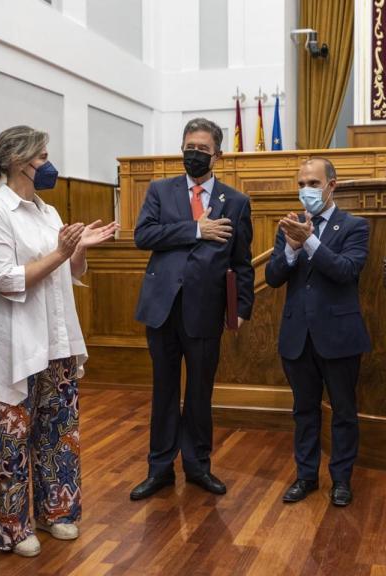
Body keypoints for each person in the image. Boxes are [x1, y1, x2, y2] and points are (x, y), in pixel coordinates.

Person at [0, 126, 118, 557]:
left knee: (58, 432)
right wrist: (59, 253)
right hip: (14, 345)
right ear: (18, 161)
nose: (49, 163)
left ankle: (58, 513)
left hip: (56, 342)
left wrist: (78, 248)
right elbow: (6, 279)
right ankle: (15, 530)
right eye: (42, 156)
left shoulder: (47, 211)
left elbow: (72, 273)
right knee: (13, 441)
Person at [130, 117, 255, 501]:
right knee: (164, 391)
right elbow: (143, 235)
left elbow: (243, 261)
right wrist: (196, 229)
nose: (194, 155)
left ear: (217, 154)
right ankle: (160, 469)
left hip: (206, 311)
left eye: (202, 149)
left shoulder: (235, 201)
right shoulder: (159, 191)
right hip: (163, 309)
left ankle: (199, 465)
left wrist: (242, 307)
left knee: (200, 392)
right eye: (189, 147)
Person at [265, 158, 370, 507]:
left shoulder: (354, 226)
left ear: (332, 185)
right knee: (304, 411)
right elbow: (273, 277)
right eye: (301, 184)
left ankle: (341, 480)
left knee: (343, 411)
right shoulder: (289, 226)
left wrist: (308, 242)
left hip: (339, 336)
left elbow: (345, 270)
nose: (305, 191)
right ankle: (305, 476)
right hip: (298, 335)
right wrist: (292, 249)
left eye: (313, 183)